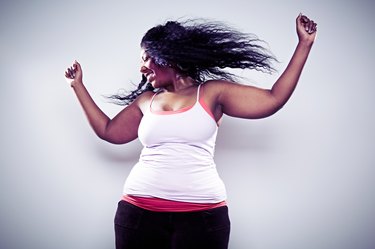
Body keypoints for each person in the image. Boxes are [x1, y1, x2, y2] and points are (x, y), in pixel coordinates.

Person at [65, 13, 317, 249]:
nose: (141, 68)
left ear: (167, 56)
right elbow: (109, 131)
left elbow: (273, 99)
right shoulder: (146, 101)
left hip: (202, 218)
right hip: (138, 214)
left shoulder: (211, 92)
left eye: (145, 58)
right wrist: (78, 86)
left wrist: (303, 45)